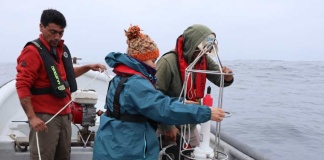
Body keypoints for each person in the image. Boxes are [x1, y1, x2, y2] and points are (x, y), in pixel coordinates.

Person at [93, 25, 225, 160]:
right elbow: (162, 109)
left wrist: (181, 102)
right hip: (129, 149)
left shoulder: (120, 78)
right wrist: (206, 112)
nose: (155, 65)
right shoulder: (136, 83)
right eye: (153, 60)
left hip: (112, 144)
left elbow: (153, 102)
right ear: (141, 59)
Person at [15, 9, 107, 160]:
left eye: (61, 33)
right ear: (41, 27)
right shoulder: (32, 52)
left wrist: (88, 67)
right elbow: (22, 85)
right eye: (52, 32)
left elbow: (65, 76)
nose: (57, 37)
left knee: (64, 156)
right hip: (45, 118)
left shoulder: (60, 50)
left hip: (65, 115)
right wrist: (32, 118)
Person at [155, 24, 234, 156]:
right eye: (201, 49)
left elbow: (219, 79)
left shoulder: (203, 59)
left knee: (197, 155)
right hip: (168, 123)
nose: (205, 53)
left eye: (207, 50)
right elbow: (155, 96)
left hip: (190, 123)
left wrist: (227, 76)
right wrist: (167, 126)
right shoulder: (167, 62)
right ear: (191, 45)